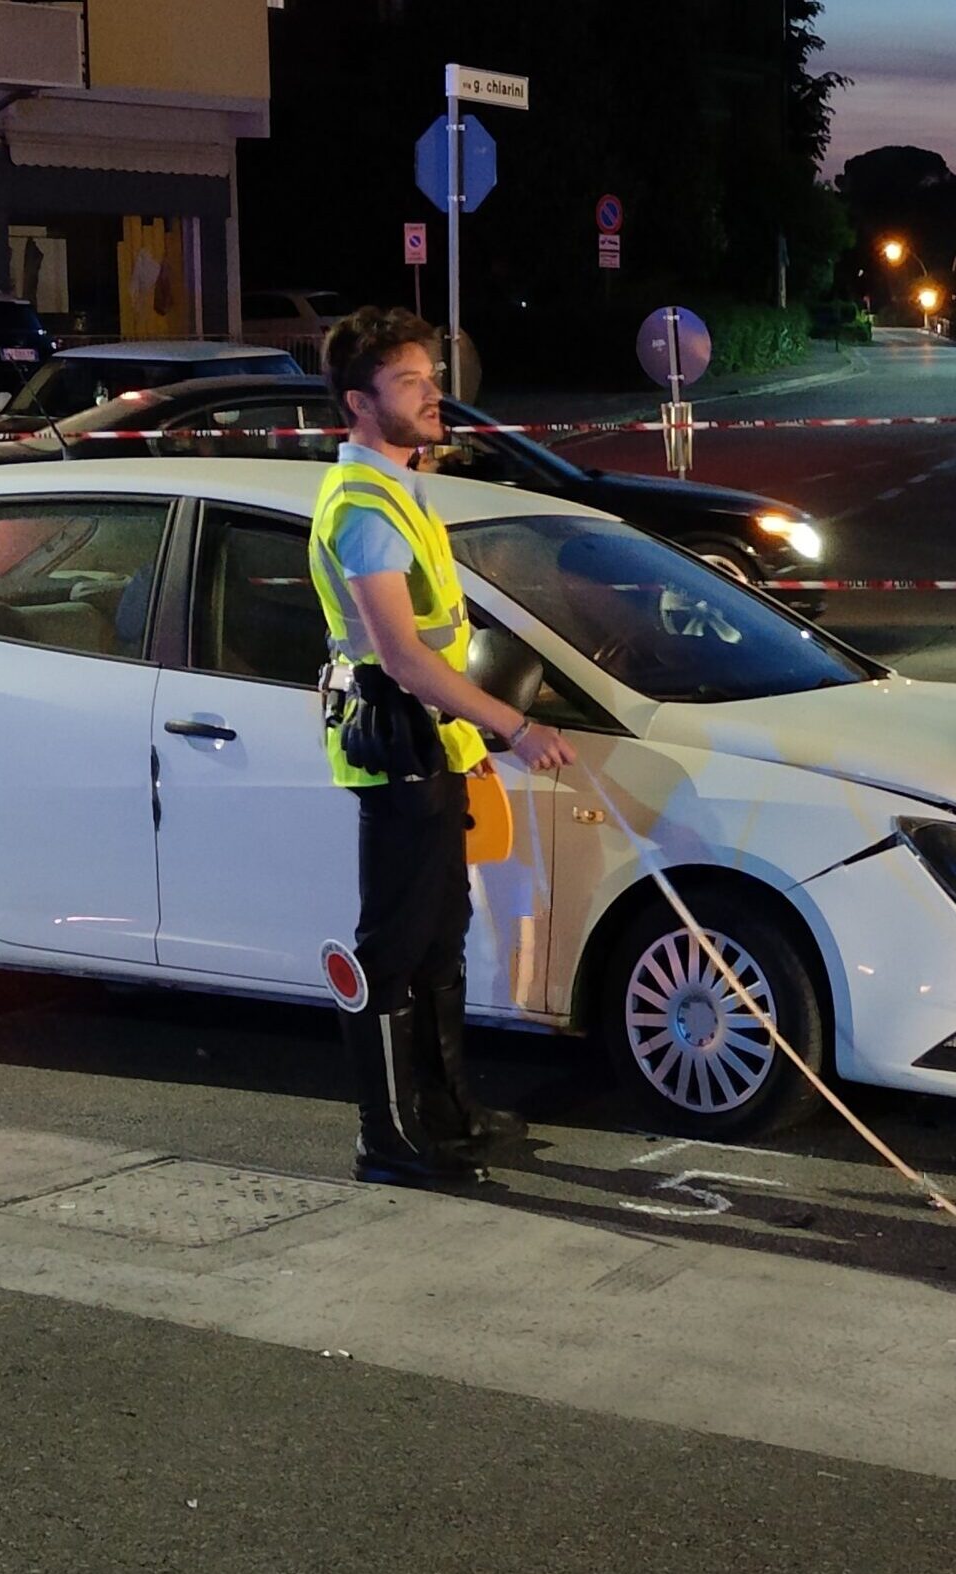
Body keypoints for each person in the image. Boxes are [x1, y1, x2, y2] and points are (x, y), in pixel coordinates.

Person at [309, 306, 576, 1187]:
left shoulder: (398, 487)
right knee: (393, 951)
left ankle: (448, 1114)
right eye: (412, 382)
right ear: (359, 402)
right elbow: (402, 655)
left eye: (433, 375)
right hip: (398, 750)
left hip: (436, 749)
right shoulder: (362, 508)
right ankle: (386, 1139)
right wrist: (517, 727)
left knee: (441, 940)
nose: (436, 394)